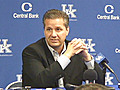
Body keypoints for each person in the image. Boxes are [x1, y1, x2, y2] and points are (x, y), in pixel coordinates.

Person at [22, 9, 105, 88]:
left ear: (67, 30)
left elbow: (100, 84)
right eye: (49, 29)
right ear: (44, 31)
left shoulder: (76, 51)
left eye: (58, 29)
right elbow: (41, 81)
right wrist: (67, 55)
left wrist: (87, 59)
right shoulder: (32, 52)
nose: (53, 34)